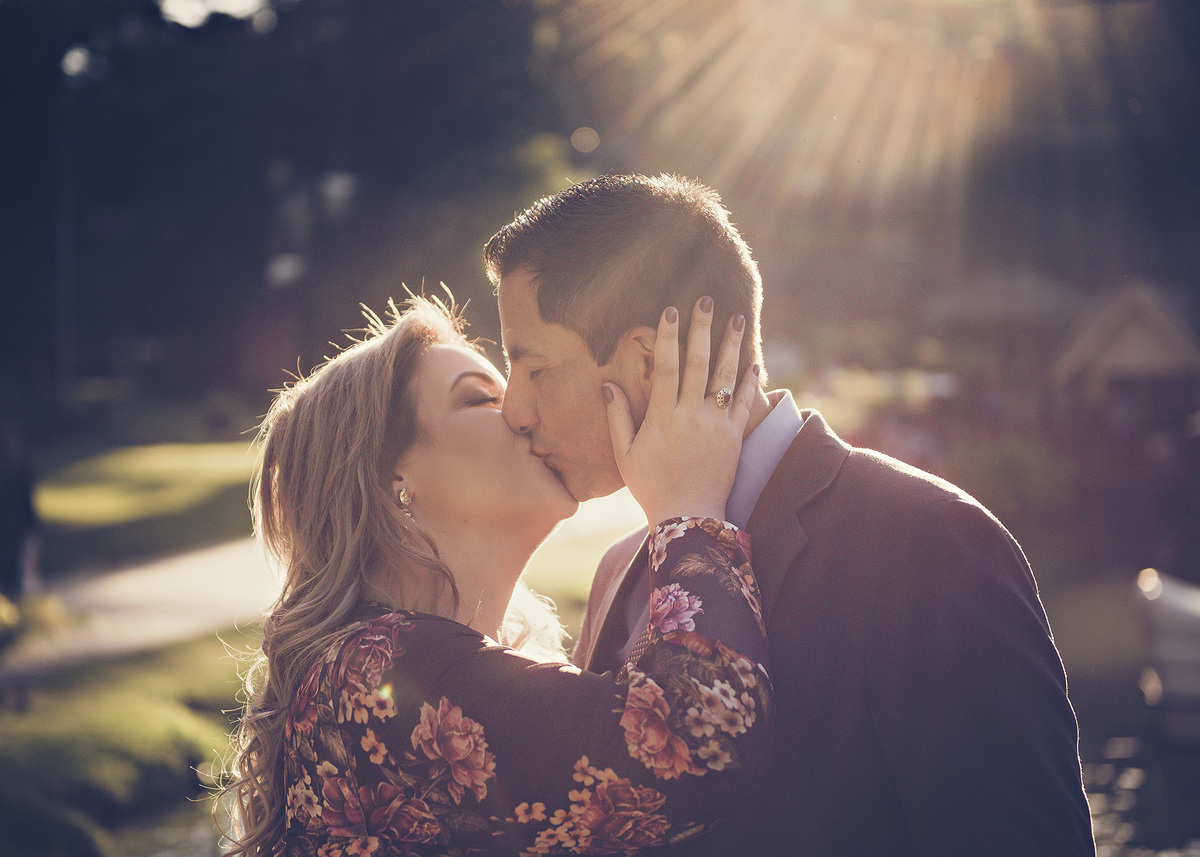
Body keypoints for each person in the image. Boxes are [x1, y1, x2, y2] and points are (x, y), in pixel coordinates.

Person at [485, 173, 1097, 856]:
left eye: (532, 367)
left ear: (647, 358)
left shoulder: (928, 541)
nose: (513, 408)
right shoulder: (616, 570)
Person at [222, 293, 772, 857]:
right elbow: (701, 743)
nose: (520, 412)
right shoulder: (371, 681)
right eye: (482, 398)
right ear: (392, 476)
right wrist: (688, 510)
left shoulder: (434, 668)